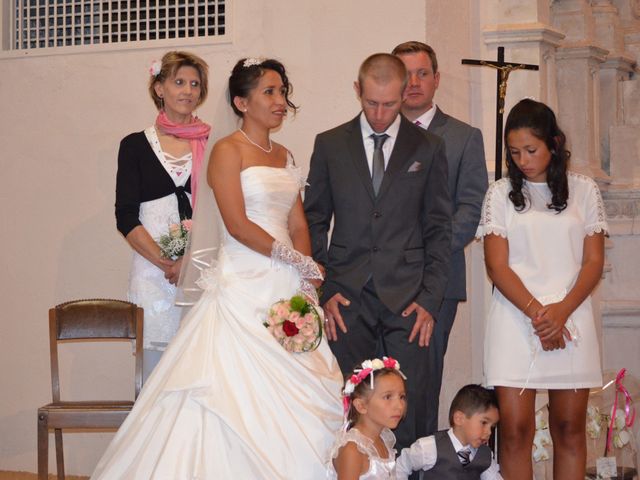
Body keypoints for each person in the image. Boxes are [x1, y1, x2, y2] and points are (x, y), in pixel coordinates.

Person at [92, 58, 343, 479]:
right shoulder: (225, 150)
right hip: (244, 282)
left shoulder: (285, 154)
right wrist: (297, 259)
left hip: (286, 283)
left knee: (297, 383)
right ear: (242, 102)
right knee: (222, 391)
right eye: (269, 92)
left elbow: (297, 221)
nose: (280, 101)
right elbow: (238, 225)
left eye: (282, 91)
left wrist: (305, 272)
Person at [304, 53, 452, 450]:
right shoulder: (330, 144)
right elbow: (313, 221)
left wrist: (430, 299)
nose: (381, 114)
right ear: (358, 91)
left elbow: (440, 228)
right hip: (346, 296)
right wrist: (324, 288)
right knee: (349, 405)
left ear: (404, 94)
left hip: (409, 298)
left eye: (390, 103)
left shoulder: (430, 147)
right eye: (371, 103)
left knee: (409, 404)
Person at [476, 99, 607, 479]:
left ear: (555, 142)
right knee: (515, 433)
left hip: (571, 320)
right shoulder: (499, 194)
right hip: (517, 321)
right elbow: (497, 266)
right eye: (514, 152)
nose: (523, 160)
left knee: (569, 429)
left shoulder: (584, 191)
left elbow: (593, 262)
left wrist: (560, 313)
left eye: (531, 150)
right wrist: (540, 315)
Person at [392, 41, 488, 435]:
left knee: (422, 384)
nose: (413, 83)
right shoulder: (375, 133)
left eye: (422, 73)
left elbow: (470, 209)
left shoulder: (463, 137)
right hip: (378, 283)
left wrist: (422, 254)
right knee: (378, 385)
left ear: (436, 79)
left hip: (436, 283)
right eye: (405, 74)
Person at [115, 51, 211, 380]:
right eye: (178, 82)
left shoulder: (215, 145)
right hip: (154, 277)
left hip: (204, 274)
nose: (187, 90)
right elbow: (125, 217)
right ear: (159, 88)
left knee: (202, 375)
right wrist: (168, 264)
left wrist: (191, 262)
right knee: (156, 380)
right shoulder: (135, 146)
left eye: (195, 84)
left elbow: (221, 216)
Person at [396, 384, 502, 479]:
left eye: (492, 427)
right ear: (459, 418)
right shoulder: (430, 447)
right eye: (484, 423)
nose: (489, 432)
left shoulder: (485, 455)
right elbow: (402, 465)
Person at [327, 357, 407, 479]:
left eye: (401, 397)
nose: (399, 406)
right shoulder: (353, 450)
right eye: (388, 397)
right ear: (361, 405)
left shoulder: (382, 439)